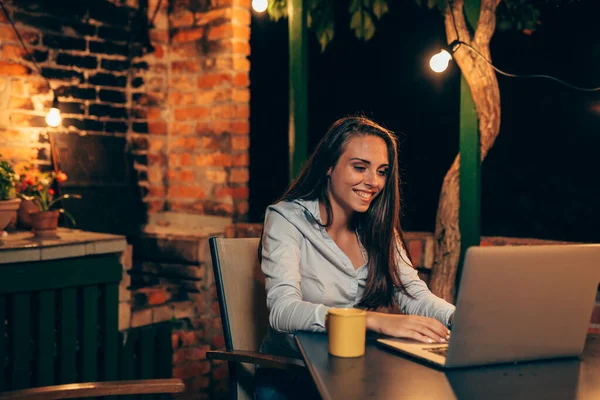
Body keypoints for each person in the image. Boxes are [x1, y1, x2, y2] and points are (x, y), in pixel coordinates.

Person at [255, 116, 455, 400]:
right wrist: (370, 320)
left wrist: (460, 319)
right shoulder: (286, 218)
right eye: (360, 167)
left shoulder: (378, 228)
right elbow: (282, 310)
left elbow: (414, 295)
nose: (373, 182)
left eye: (382, 171)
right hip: (292, 377)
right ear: (328, 166)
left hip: (354, 374)